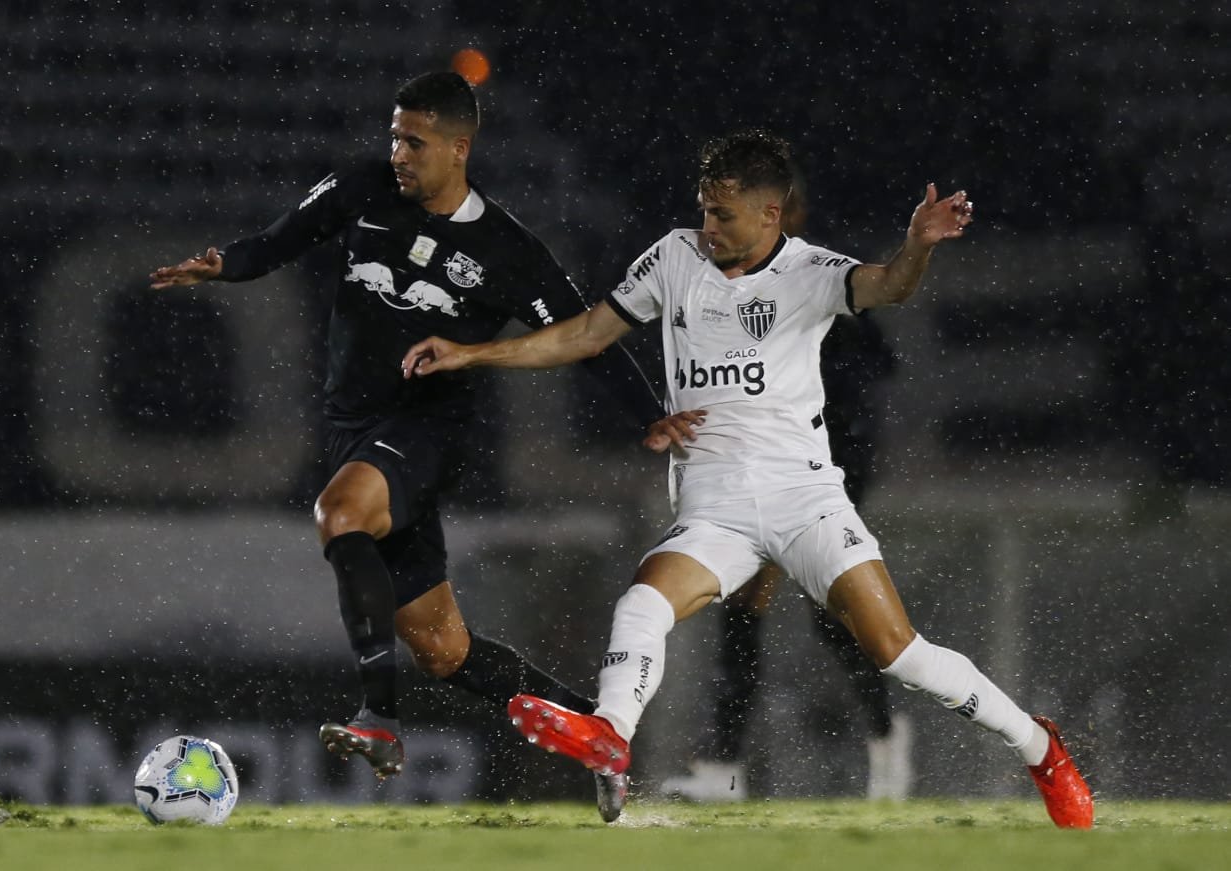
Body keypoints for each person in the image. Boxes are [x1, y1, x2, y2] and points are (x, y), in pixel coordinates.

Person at [401, 129, 1094, 828]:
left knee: (896, 651)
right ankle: (609, 732)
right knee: (643, 602)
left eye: (723, 216)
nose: (708, 227)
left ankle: (1040, 747)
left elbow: (888, 285)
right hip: (716, 507)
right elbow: (584, 334)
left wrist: (917, 244)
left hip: (806, 497)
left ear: (770, 213)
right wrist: (471, 354)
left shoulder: (811, 271)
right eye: (704, 210)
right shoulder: (672, 258)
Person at [149, 71, 665, 820]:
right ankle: (599, 733)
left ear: (461, 147)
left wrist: (649, 416)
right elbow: (277, 242)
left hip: (425, 432)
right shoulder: (364, 188)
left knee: (340, 514)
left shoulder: (505, 249)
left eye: (414, 141)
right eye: (394, 136)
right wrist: (224, 264)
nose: (398, 152)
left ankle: (379, 719)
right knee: (444, 649)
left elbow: (585, 336)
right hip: (353, 430)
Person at [661, 167, 908, 803]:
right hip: (759, 466)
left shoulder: (819, 277)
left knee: (832, 615)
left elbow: (873, 368)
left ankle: (885, 740)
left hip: (824, 466)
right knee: (742, 606)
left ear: (784, 216)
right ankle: (723, 768)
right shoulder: (725, 282)